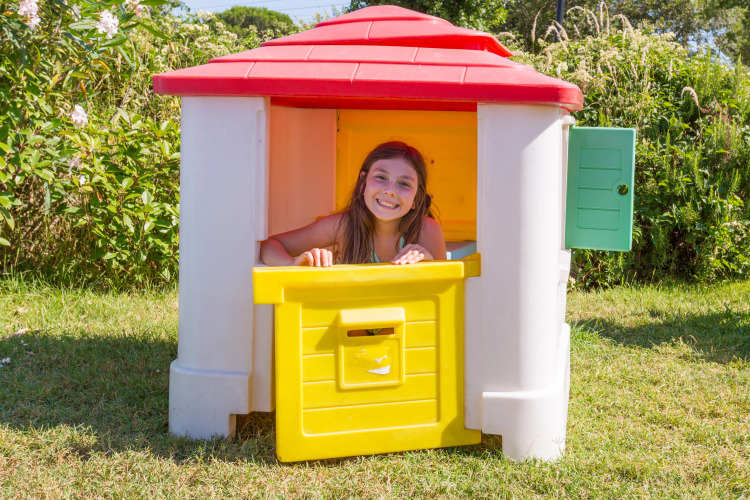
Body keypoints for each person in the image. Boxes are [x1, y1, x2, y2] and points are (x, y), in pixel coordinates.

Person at [260, 141, 446, 267]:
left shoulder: (426, 230)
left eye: (404, 183)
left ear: (416, 199)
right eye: (381, 177)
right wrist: (293, 265)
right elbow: (269, 245)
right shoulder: (343, 226)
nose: (390, 191)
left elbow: (444, 293)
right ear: (363, 183)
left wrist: (430, 265)